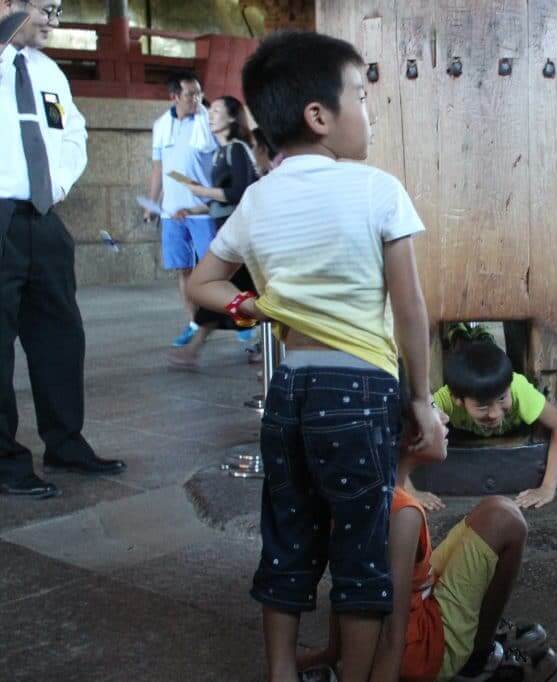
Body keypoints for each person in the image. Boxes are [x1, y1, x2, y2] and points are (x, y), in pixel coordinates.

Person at [186, 31, 444, 682]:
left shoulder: (259, 198)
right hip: (359, 395)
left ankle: (280, 673)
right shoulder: (378, 190)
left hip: (291, 394)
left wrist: (256, 308)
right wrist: (420, 398)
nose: (370, 113)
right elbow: (410, 308)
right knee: (359, 544)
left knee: (289, 532)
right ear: (319, 115)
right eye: (361, 95)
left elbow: (202, 285)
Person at [297, 399, 557, 682]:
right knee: (506, 518)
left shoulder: (359, 493)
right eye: (433, 407)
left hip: (392, 631)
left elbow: (348, 589)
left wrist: (335, 652)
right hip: (422, 652)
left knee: (492, 510)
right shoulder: (403, 514)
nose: (445, 418)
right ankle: (477, 660)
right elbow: (392, 631)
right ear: (411, 436)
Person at [0, 0, 126, 500]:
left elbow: (73, 132)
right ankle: (5, 460)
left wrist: (56, 187)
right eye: (45, 9)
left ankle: (65, 442)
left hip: (43, 218)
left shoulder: (48, 70)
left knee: (60, 335)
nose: (55, 22)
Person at [428, 336, 557, 510]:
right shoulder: (445, 399)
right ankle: (459, 335)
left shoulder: (518, 388)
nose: (495, 413)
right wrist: (408, 489)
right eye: (482, 406)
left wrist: (547, 488)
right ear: (458, 400)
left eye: (502, 398)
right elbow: (407, 432)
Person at [168, 95, 260, 369]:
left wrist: (200, 191)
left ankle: (195, 350)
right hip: (227, 232)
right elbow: (218, 201)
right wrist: (193, 209)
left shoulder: (238, 149)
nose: (210, 115)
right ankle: (197, 350)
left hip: (241, 236)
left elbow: (240, 192)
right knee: (229, 292)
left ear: (232, 117)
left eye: (217, 111)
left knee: (222, 290)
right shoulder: (220, 153)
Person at [145, 71, 219, 348]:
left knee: (217, 269)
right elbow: (158, 169)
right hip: (172, 212)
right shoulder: (161, 125)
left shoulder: (208, 119)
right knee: (183, 270)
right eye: (191, 94)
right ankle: (193, 322)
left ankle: (242, 329)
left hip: (202, 211)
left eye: (199, 92)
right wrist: (153, 204)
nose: (197, 99)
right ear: (174, 96)